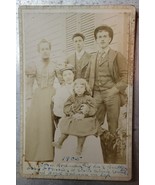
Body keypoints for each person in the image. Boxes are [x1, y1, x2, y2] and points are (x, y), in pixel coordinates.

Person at [85, 25, 128, 163]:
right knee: (94, 123)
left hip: (112, 94)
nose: (102, 39)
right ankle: (98, 156)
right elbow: (87, 77)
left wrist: (115, 89)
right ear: (96, 40)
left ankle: (112, 159)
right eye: (99, 37)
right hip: (96, 94)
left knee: (113, 125)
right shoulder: (92, 57)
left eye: (104, 36)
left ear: (109, 39)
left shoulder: (117, 55)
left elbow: (126, 76)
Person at [25, 39, 56, 162]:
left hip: (51, 94)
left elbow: (63, 80)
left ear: (50, 50)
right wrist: (28, 99)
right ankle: (37, 154)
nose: (45, 51)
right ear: (39, 51)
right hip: (38, 96)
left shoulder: (55, 64)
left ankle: (51, 154)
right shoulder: (34, 65)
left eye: (47, 48)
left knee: (49, 124)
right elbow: (29, 84)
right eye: (42, 49)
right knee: (38, 125)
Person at [52, 78, 99, 155]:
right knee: (67, 124)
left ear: (85, 89)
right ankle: (59, 142)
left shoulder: (88, 98)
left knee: (82, 128)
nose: (79, 89)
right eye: (77, 87)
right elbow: (66, 107)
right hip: (73, 116)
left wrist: (85, 113)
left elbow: (94, 108)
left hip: (85, 118)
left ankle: (79, 147)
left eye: (81, 87)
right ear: (74, 89)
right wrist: (71, 111)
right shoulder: (72, 98)